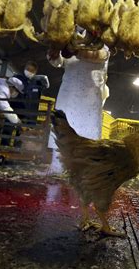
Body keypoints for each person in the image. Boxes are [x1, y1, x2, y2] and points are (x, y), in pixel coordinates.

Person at [47, 42, 110, 173]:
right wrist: (54, 55)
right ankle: (57, 167)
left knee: (88, 136)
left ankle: (83, 171)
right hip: (69, 92)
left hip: (90, 95)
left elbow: (100, 56)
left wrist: (71, 49)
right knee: (61, 129)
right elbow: (60, 62)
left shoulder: (101, 44)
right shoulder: (70, 39)